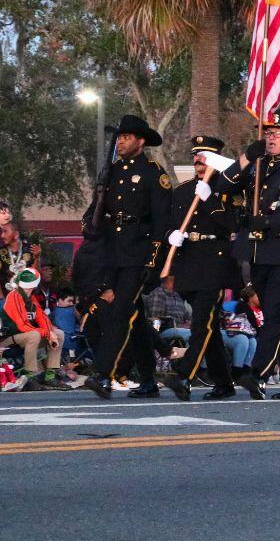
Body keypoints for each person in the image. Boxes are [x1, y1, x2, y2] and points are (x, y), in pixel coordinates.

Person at [203, 103, 280, 400]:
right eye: (269, 132)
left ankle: (258, 373)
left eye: (279, 134)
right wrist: (245, 157)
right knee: (272, 316)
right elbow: (223, 186)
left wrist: (269, 220)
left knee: (275, 314)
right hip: (256, 252)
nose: (272, 138)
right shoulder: (255, 165)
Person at [161, 135, 260, 401]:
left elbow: (236, 226)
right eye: (195, 155)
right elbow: (171, 222)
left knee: (202, 323)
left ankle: (184, 375)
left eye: (204, 156)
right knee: (209, 329)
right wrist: (172, 235)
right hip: (188, 262)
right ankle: (224, 382)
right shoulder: (182, 190)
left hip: (215, 262)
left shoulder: (228, 189)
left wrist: (212, 201)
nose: (198, 160)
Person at [83, 114, 173, 400]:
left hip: (139, 252)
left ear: (140, 141)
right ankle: (148, 379)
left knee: (120, 311)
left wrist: (154, 260)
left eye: (126, 137)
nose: (120, 142)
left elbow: (162, 222)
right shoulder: (112, 171)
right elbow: (98, 208)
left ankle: (104, 373)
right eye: (119, 137)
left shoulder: (153, 172)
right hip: (114, 252)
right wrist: (90, 222)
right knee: (133, 318)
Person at [0, 268, 70, 390]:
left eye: (30, 288)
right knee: (34, 334)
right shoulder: (13, 296)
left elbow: (42, 318)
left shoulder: (31, 298)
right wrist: (47, 333)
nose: (28, 290)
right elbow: (22, 326)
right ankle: (29, 375)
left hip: (23, 337)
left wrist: (50, 333)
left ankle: (50, 375)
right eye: (27, 287)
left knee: (59, 334)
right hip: (6, 339)